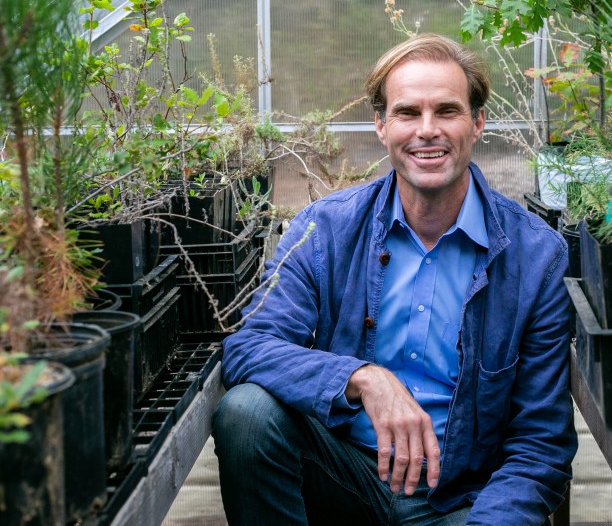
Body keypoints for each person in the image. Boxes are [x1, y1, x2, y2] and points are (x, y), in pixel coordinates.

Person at [213, 33, 577, 525]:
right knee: (246, 413)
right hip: (343, 474)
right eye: (408, 113)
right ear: (382, 127)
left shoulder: (536, 257)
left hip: (459, 499)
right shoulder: (327, 230)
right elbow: (250, 346)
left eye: (446, 111)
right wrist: (360, 378)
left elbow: (540, 443)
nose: (428, 130)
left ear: (478, 123)